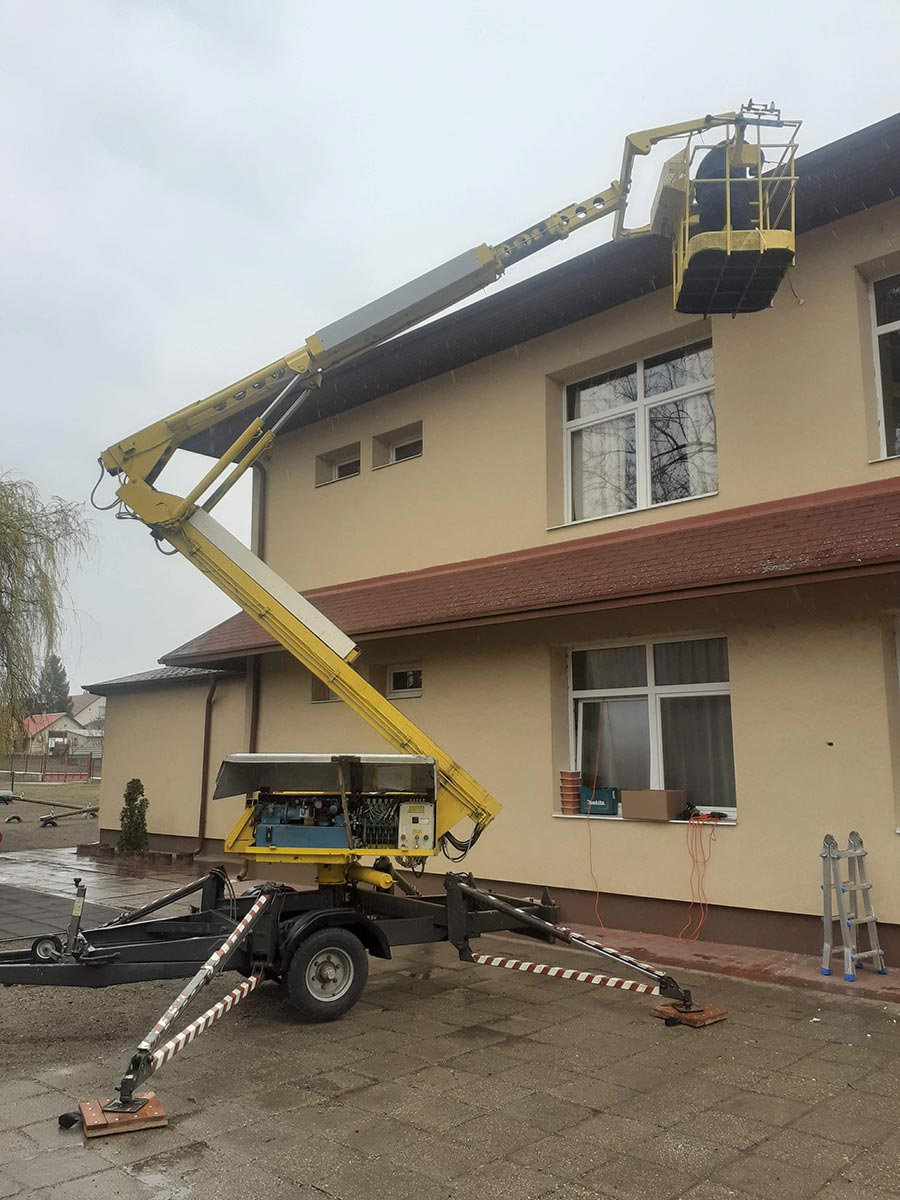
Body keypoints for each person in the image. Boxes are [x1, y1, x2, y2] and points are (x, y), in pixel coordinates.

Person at [694, 142, 754, 233]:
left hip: (707, 194)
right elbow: (757, 153)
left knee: (710, 233)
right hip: (734, 189)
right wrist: (755, 169)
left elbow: (697, 189)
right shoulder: (738, 146)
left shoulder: (708, 160)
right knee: (743, 231)